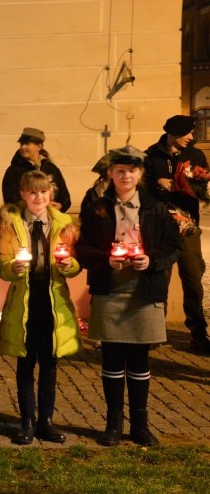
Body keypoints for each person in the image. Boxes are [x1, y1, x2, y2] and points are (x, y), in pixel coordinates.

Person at [76, 145, 180, 447]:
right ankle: (113, 422)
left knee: (138, 358)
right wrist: (104, 259)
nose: (126, 175)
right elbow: (82, 249)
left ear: (140, 174)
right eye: (120, 170)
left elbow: (172, 246)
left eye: (131, 170)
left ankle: (139, 424)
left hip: (144, 291)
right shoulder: (98, 208)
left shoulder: (155, 207)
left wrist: (152, 260)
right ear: (110, 173)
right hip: (111, 289)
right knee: (111, 357)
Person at [0, 170, 82, 445]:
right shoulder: (12, 225)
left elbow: (75, 263)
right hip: (25, 301)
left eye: (43, 192)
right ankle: (27, 422)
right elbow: (2, 266)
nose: (38, 197)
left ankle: (46, 421)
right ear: (23, 194)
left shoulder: (64, 224)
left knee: (49, 362)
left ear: (50, 194)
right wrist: (12, 267)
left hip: (53, 301)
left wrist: (70, 266)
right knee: (25, 361)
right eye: (32, 192)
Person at [143, 114, 210, 353]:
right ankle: (154, 331)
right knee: (159, 279)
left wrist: (199, 185)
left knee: (193, 279)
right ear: (173, 134)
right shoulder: (150, 156)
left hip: (188, 228)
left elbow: (205, 191)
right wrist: (156, 184)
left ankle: (198, 332)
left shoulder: (196, 155)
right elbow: (139, 191)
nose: (192, 137)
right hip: (161, 228)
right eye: (187, 133)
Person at [2, 127, 71, 213]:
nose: (23, 147)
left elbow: (65, 196)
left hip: (52, 218)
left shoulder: (51, 168)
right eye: (21, 144)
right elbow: (10, 199)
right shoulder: (13, 171)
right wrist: (36, 206)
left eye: (27, 144)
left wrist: (61, 205)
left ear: (39, 146)